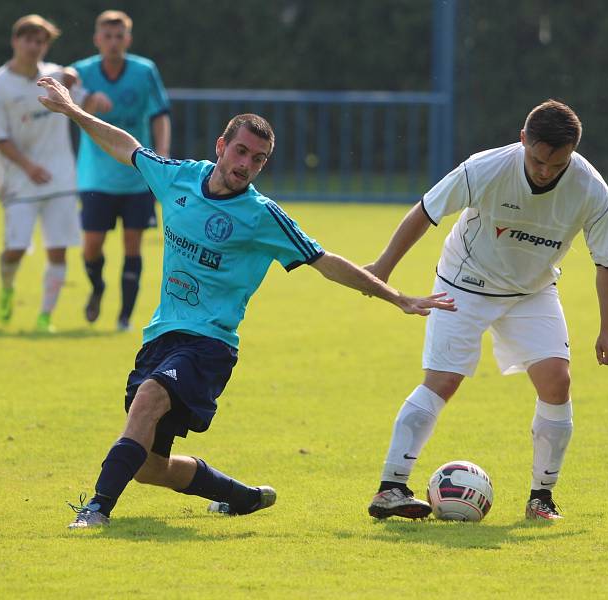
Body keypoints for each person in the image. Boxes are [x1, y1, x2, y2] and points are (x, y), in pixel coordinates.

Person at [35, 75, 455, 528]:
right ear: (222, 146)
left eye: (259, 160)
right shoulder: (178, 178)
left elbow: (323, 259)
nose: (247, 165)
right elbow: (126, 146)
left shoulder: (262, 214)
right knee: (148, 468)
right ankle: (242, 496)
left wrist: (395, 297)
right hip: (161, 336)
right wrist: (73, 111)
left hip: (209, 346)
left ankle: (96, 509)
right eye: (241, 152)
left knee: (150, 398)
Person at [365, 99, 608, 521]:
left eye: (557, 165)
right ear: (523, 140)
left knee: (557, 382)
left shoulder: (590, 188)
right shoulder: (485, 168)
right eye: (539, 160)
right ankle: (391, 489)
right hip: (464, 282)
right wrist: (382, 268)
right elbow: (427, 211)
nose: (545, 171)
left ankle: (541, 499)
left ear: (572, 154)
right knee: (443, 381)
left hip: (531, 291)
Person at [0, 15, 84, 333]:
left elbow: (82, 104)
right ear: (15, 41)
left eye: (40, 41)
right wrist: (29, 167)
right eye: (28, 39)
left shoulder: (56, 76)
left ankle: (45, 317)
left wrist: (82, 85)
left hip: (60, 177)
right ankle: (7, 289)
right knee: (15, 248)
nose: (34, 46)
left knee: (58, 249)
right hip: (18, 179)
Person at [71, 10, 172, 331]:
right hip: (96, 176)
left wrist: (163, 154)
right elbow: (59, 84)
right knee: (91, 247)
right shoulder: (83, 72)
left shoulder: (144, 71)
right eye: (107, 36)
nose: (113, 42)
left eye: (119, 36)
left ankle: (125, 317)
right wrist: (85, 96)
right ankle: (97, 287)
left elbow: (160, 114)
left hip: (136, 175)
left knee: (133, 244)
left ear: (128, 39)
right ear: (97, 39)